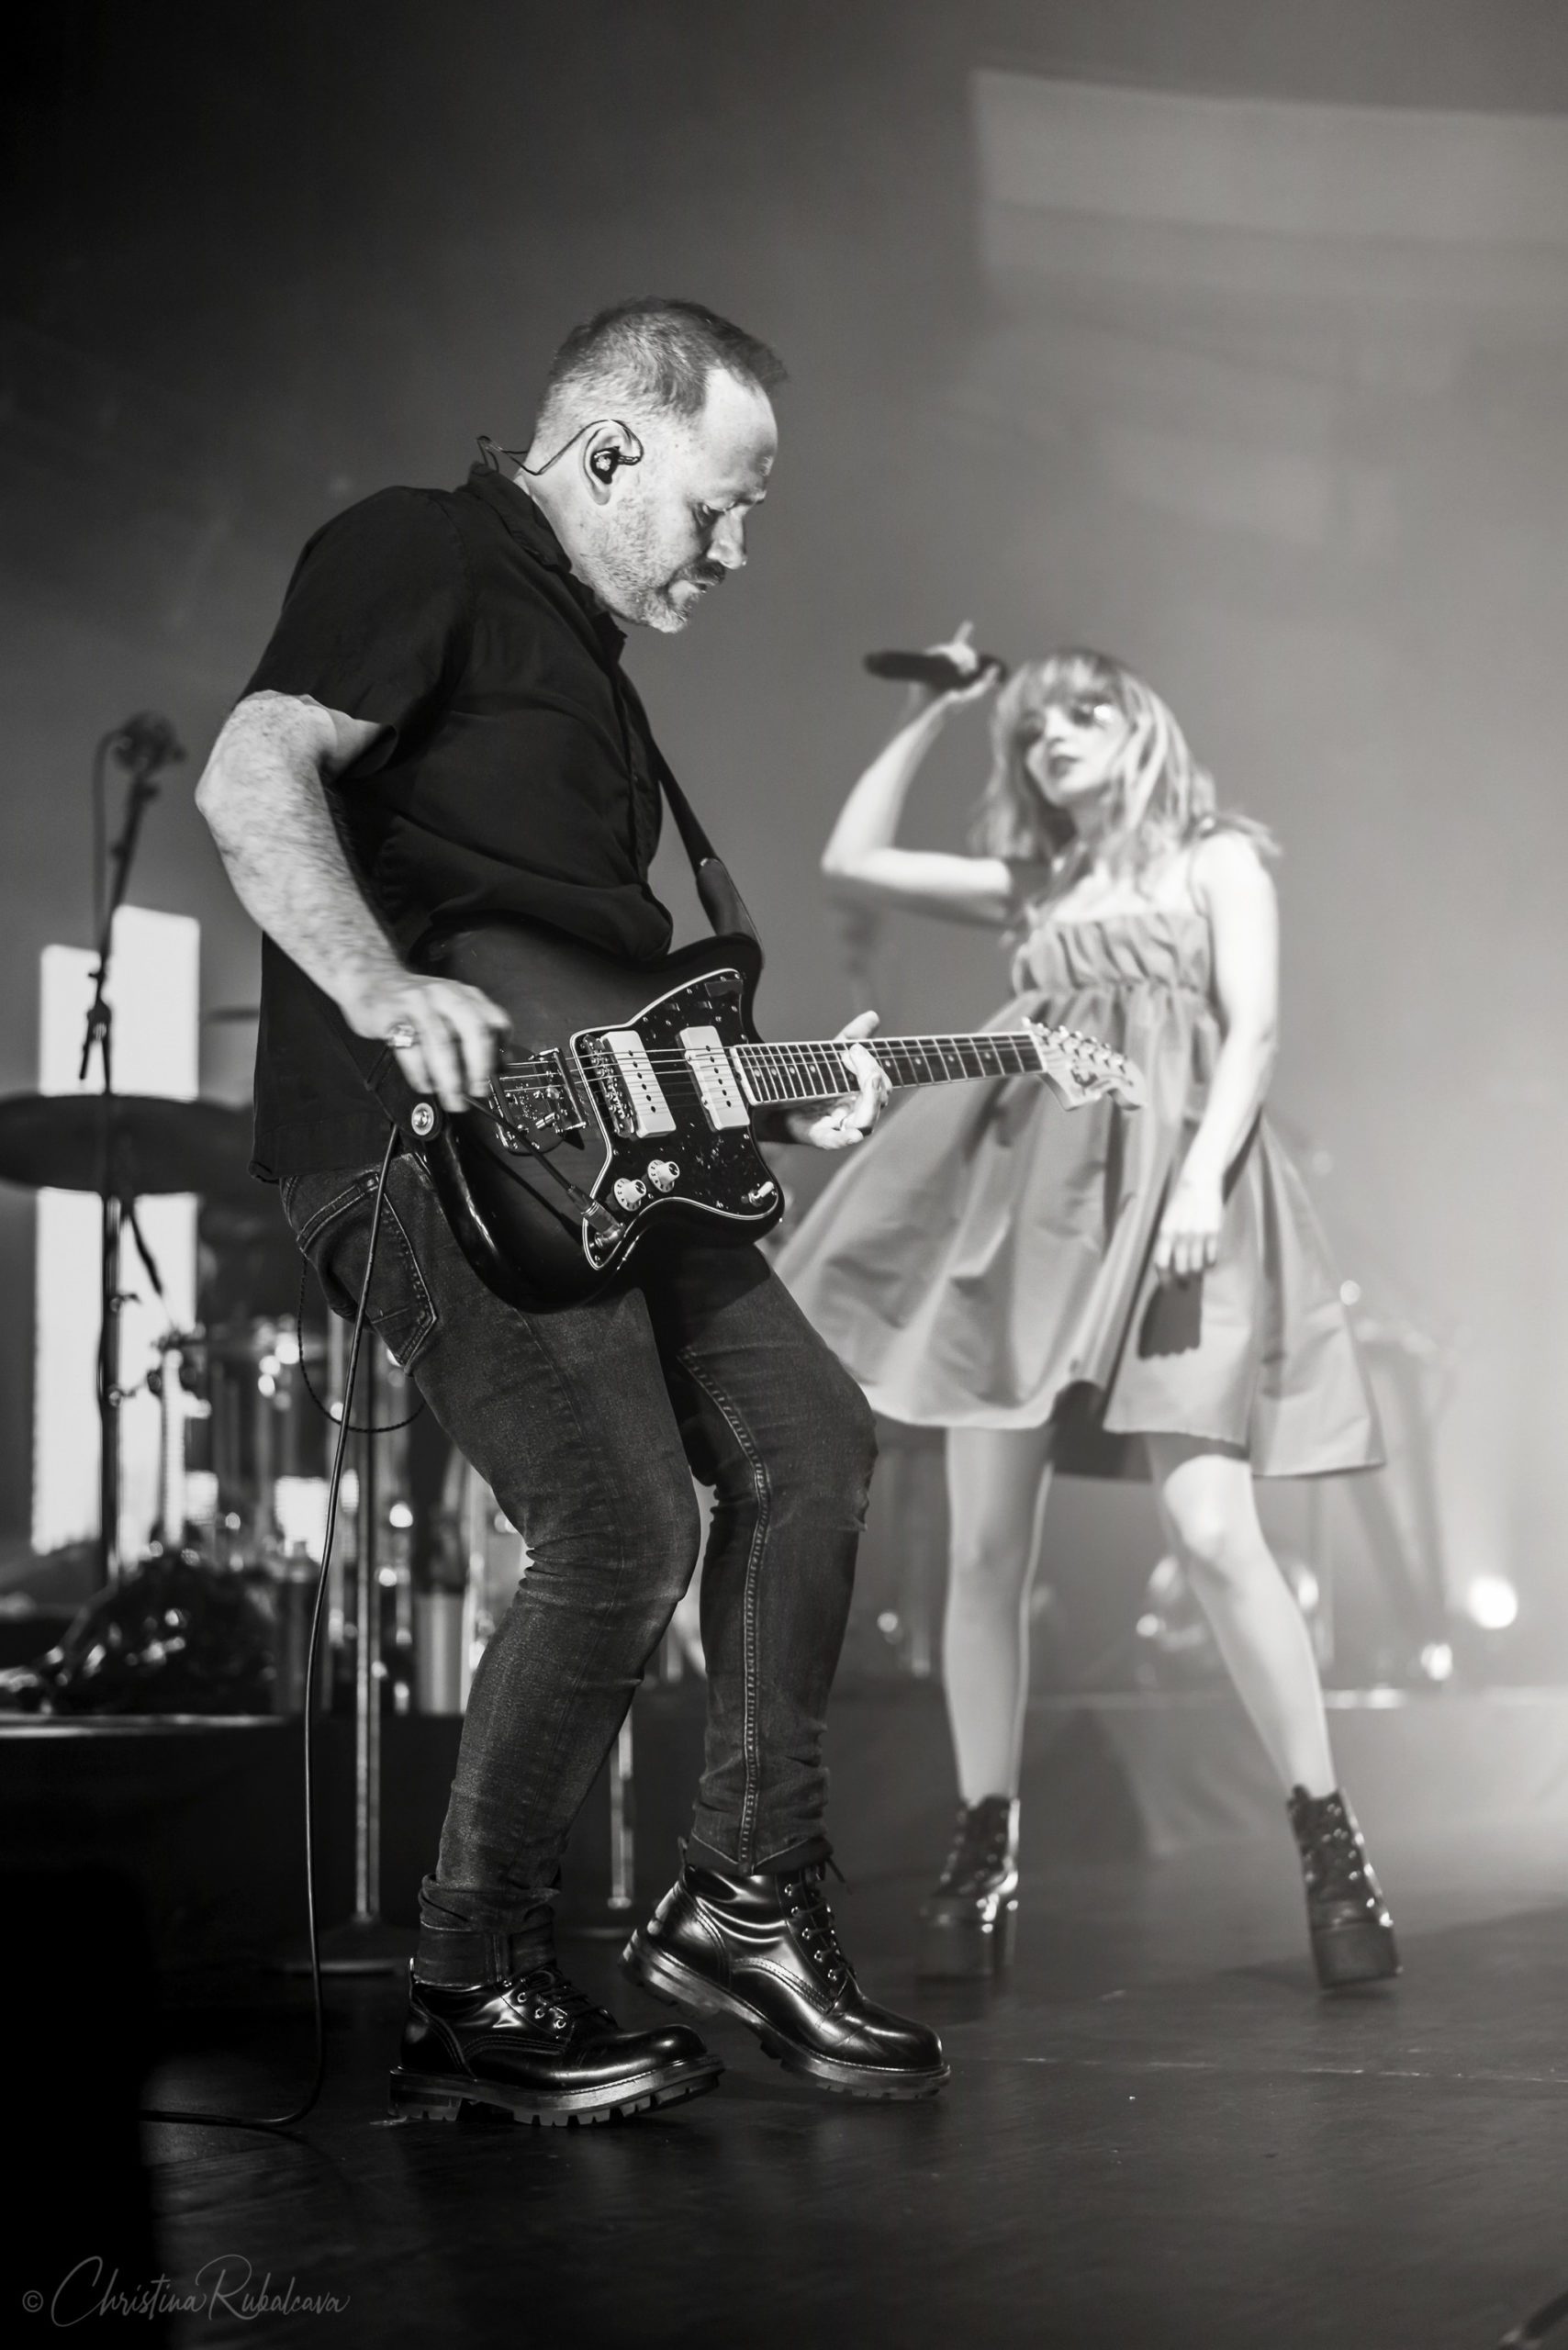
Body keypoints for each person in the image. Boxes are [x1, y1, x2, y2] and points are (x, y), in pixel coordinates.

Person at [195, 297, 949, 2122]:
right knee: (614, 1522)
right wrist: (382, 991)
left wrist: (777, 1090)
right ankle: (473, 1974)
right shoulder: (422, 549)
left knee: (815, 1444)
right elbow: (249, 772)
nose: (738, 548)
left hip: (599, 1141)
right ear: (609, 446)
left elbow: (591, 984)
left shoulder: (595, 677)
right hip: (417, 1138)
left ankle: (742, 1899)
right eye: (717, 502)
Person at [776, 632, 1398, 1992]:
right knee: (986, 1547)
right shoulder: (1039, 882)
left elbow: (1255, 1031)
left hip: (1183, 1187)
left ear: (1137, 726)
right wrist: (936, 711)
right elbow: (851, 862)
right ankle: (983, 1844)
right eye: (1034, 727)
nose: (1052, 739)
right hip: (1033, 1207)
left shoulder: (1217, 856)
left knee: (1215, 1528)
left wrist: (1198, 1176)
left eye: (1081, 716)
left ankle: (1328, 1834)